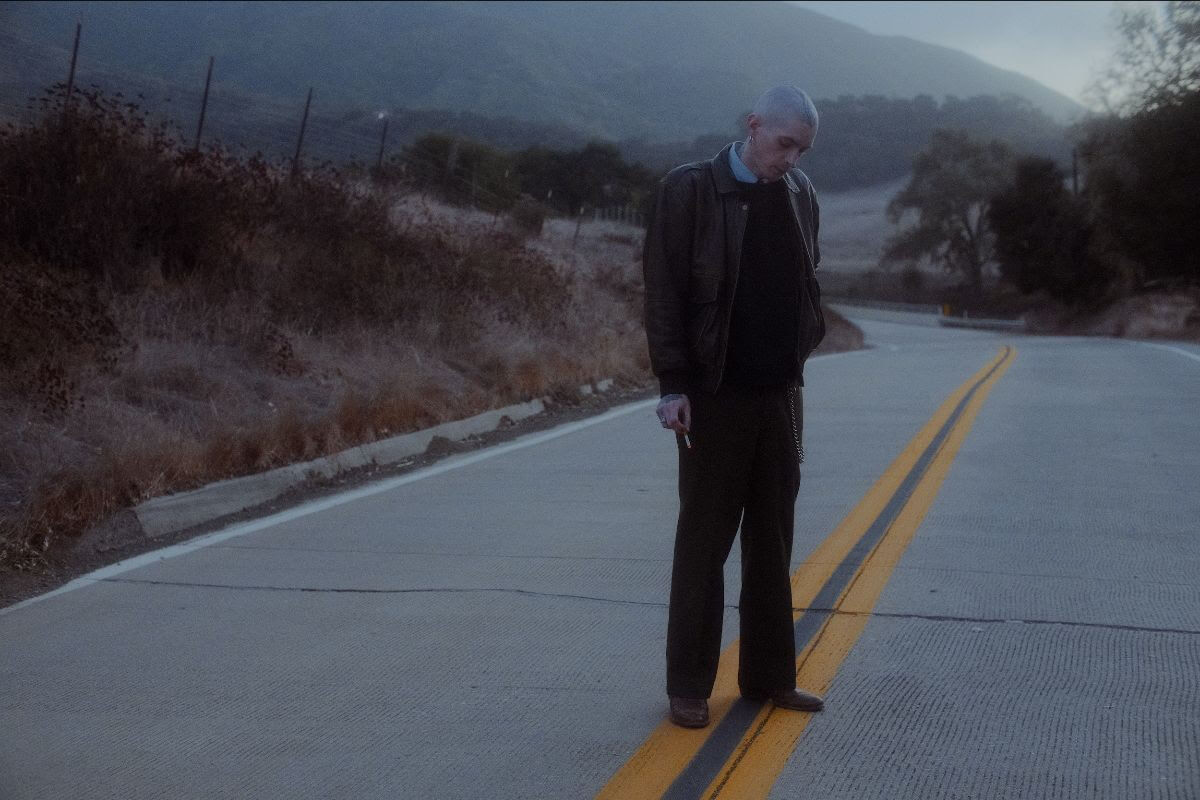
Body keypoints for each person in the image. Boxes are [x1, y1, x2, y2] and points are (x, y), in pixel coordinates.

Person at [642, 85, 827, 729]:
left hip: (781, 395)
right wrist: (673, 384)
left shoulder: (802, 195)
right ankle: (689, 684)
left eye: (802, 149)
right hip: (714, 396)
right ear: (753, 126)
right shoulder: (690, 190)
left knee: (773, 544)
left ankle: (770, 678)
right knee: (704, 543)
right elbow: (663, 291)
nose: (793, 159)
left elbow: (806, 284)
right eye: (784, 144)